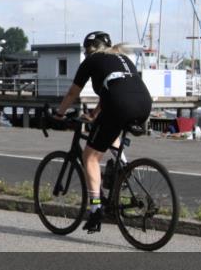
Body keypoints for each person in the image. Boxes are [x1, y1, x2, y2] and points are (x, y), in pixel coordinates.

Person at [53, 31, 152, 233]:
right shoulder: (122, 58)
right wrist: (94, 115)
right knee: (110, 131)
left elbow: (72, 93)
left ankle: (96, 209)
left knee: (89, 156)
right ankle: (123, 168)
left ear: (89, 49)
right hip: (144, 104)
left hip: (119, 104)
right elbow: (112, 91)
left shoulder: (91, 61)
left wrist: (59, 114)